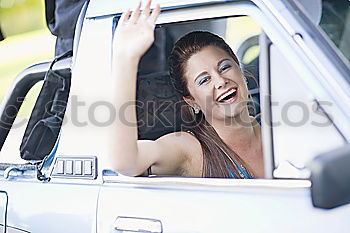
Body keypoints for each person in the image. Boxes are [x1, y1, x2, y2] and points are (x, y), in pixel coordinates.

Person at [110, 0, 264, 178]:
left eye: (224, 67)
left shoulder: (272, 128)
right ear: (191, 100)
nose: (220, 81)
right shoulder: (190, 149)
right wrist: (125, 59)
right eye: (204, 80)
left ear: (240, 70)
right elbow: (125, 163)